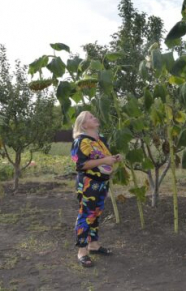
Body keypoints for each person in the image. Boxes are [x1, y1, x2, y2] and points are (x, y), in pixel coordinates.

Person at [71, 111, 121, 267]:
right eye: (90, 117)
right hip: (88, 183)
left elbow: (103, 159)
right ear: (84, 125)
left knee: (96, 213)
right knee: (86, 214)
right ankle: (82, 251)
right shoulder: (82, 141)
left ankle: (93, 245)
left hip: (101, 183)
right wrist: (105, 160)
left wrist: (113, 158)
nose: (95, 118)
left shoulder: (100, 140)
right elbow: (80, 164)